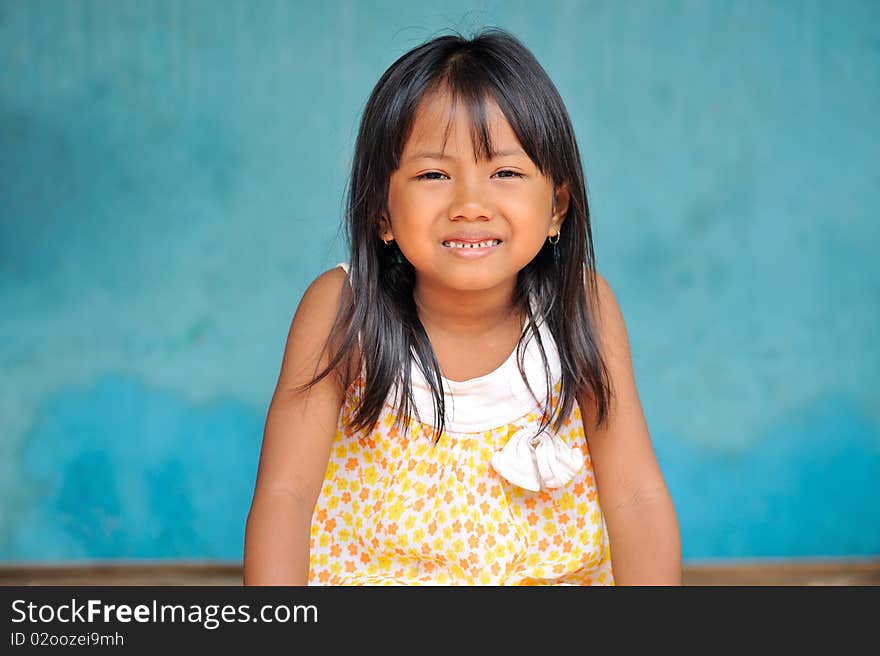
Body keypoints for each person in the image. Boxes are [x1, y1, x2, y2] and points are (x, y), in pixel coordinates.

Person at [244, 28, 681, 585]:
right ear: (381, 210)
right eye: (433, 175)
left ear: (557, 208)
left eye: (505, 173)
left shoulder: (583, 307)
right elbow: (286, 495)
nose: (470, 205)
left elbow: (637, 497)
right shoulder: (342, 311)